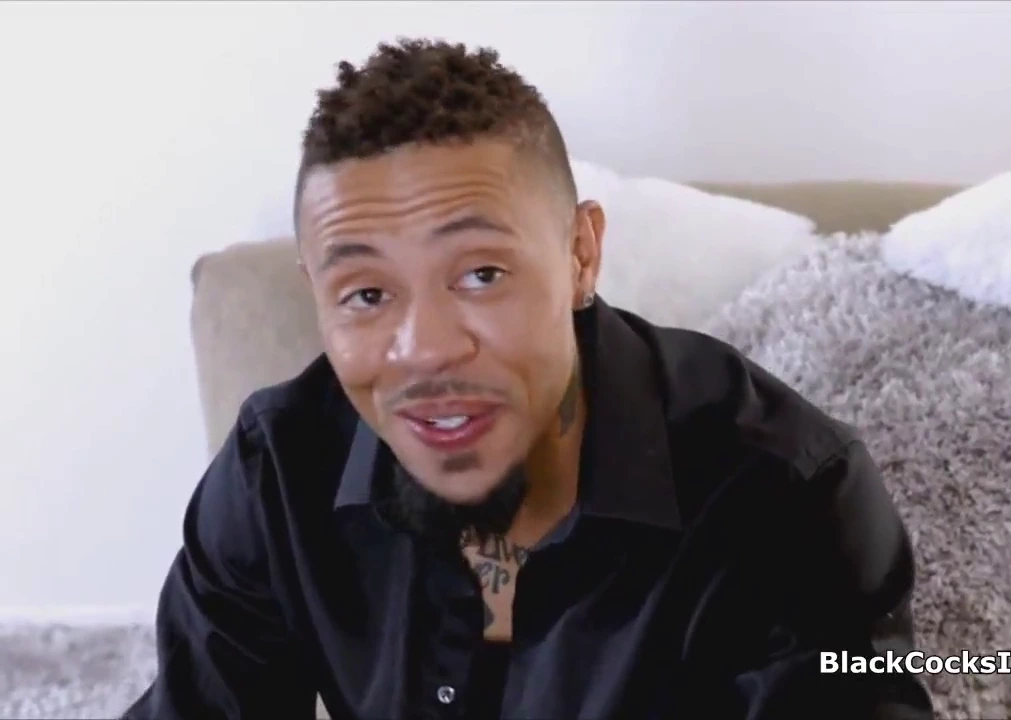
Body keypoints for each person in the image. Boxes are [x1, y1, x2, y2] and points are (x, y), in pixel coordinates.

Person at [125, 38, 934, 720]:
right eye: (366, 295)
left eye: (481, 274)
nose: (425, 351)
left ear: (581, 255)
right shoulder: (277, 469)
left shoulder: (782, 497)